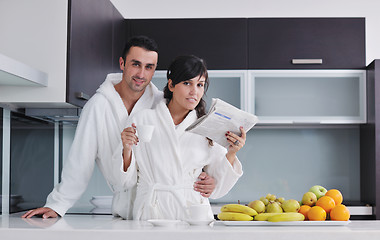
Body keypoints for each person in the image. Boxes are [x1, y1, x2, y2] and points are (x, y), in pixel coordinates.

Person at [22, 36, 216, 219]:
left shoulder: (162, 105)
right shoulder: (98, 106)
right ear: (122, 63)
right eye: (136, 64)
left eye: (149, 67)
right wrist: (58, 204)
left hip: (163, 211)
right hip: (125, 208)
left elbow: (186, 148)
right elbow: (80, 160)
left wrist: (209, 177)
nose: (141, 74)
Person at [115, 55, 246, 220]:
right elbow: (126, 180)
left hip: (192, 212)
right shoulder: (142, 120)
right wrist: (126, 148)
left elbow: (218, 187)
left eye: (200, 85)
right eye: (187, 83)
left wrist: (231, 153)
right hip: (151, 211)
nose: (194, 91)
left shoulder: (207, 127)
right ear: (171, 85)